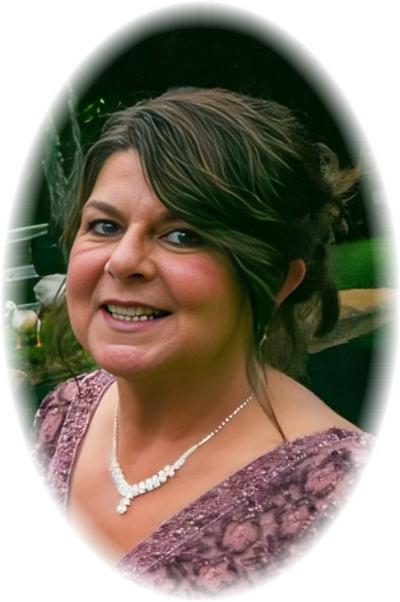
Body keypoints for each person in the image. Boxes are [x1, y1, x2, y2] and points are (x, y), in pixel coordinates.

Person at [32, 87, 372, 595]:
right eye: (104, 225)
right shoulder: (62, 412)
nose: (122, 261)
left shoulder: (341, 498)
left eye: (183, 235)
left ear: (278, 280)